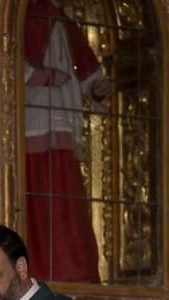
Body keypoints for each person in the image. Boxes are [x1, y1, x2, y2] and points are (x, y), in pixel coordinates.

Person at [24, 0, 112, 283]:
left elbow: (87, 71)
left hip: (63, 117)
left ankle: (74, 269)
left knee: (66, 196)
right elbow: (12, 61)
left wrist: (98, 87)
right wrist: (46, 76)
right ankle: (43, 270)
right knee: (39, 194)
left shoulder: (66, 23)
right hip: (36, 119)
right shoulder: (27, 16)